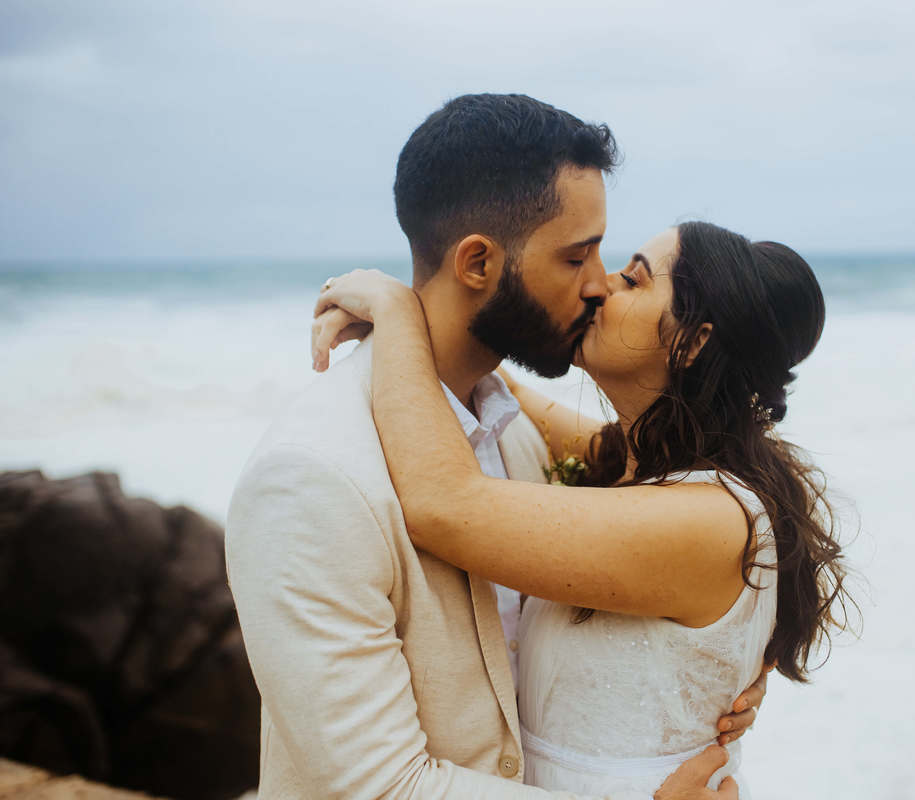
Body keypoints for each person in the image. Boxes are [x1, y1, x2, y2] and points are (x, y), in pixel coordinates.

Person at [226, 93, 761, 800]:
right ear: (478, 262)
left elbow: (717, 495)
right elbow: (380, 788)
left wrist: (713, 662)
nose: (599, 286)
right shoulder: (311, 477)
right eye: (576, 257)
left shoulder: (517, 433)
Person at [309, 220, 852, 797]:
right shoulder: (636, 461)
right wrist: (432, 311)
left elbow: (443, 503)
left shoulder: (707, 520)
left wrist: (394, 311)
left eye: (633, 280)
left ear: (692, 342)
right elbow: (508, 392)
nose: (600, 286)